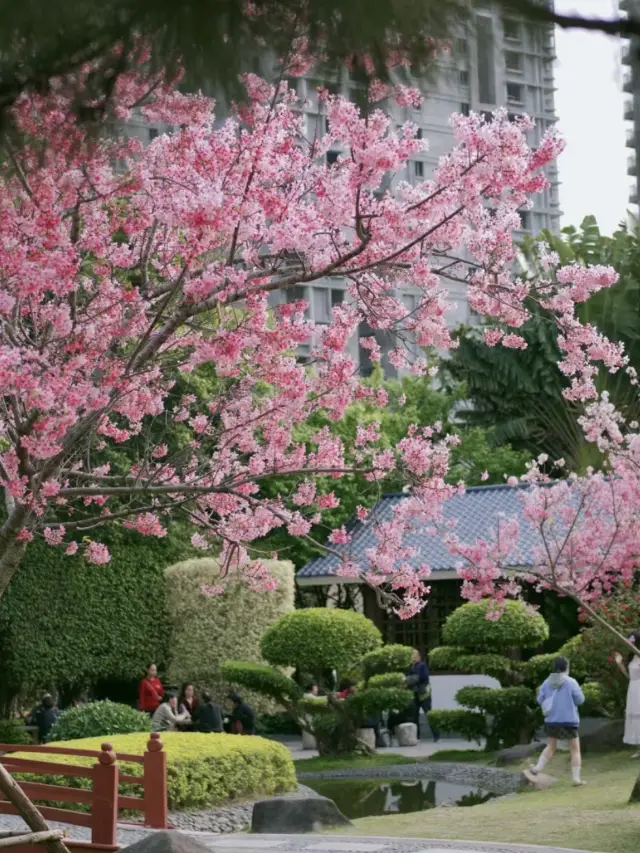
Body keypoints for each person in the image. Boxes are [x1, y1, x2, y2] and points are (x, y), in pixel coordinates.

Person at [530, 656, 585, 786]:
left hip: (552, 720)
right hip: (569, 721)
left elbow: (539, 700)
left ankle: (537, 768)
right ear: (567, 667)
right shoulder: (571, 682)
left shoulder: (546, 682)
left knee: (551, 746)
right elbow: (580, 700)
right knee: (575, 749)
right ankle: (576, 779)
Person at [614, 630, 640, 758]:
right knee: (634, 716)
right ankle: (638, 748)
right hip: (633, 687)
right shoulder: (631, 657)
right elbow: (629, 676)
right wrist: (619, 663)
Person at [405, 648, 438, 741]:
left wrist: (411, 679)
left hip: (424, 693)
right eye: (411, 655)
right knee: (414, 716)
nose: (412, 657)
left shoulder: (422, 665)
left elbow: (422, 677)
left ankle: (436, 736)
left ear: (419, 656)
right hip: (414, 693)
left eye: (414, 655)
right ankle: (416, 737)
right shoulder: (409, 667)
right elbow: (406, 679)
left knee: (428, 714)